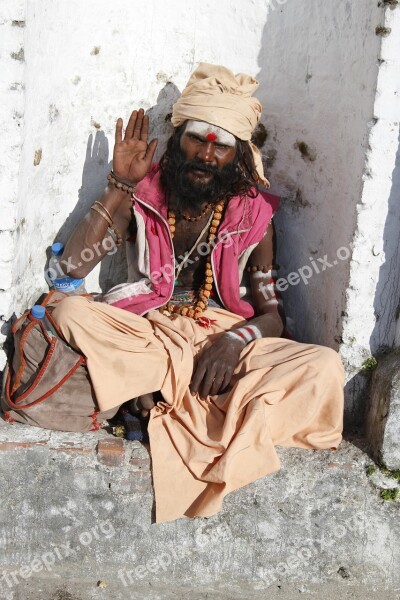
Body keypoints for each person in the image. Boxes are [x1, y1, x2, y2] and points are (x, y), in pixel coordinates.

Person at [52, 63, 344, 523]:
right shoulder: (143, 190)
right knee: (71, 311)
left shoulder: (255, 213)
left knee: (324, 366)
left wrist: (232, 343)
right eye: (197, 139)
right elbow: (71, 270)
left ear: (239, 156)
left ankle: (153, 397)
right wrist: (120, 184)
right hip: (149, 328)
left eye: (221, 145)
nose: (207, 154)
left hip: (220, 335)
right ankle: (193, 398)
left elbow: (271, 315)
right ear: (178, 140)